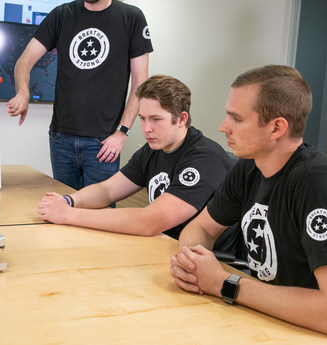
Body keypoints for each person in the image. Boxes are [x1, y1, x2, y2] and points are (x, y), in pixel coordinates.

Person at [169, 65, 327, 340]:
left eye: (236, 118)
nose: (223, 127)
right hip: (266, 322)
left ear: (276, 127)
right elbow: (202, 228)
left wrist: (225, 283)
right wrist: (192, 265)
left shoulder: (320, 186)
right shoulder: (250, 166)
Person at [38, 75, 240, 254]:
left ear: (181, 119)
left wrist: (69, 215)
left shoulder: (204, 158)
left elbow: (149, 221)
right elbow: (107, 190)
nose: (146, 129)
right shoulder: (154, 148)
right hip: (162, 245)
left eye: (156, 119)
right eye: (142, 119)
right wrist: (68, 201)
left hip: (207, 260)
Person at [7, 0, 153, 191]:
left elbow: (141, 83)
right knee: (65, 212)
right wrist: (23, 91)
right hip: (61, 137)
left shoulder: (131, 17)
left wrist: (122, 133)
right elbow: (25, 60)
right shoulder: (62, 15)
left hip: (104, 141)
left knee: (100, 217)